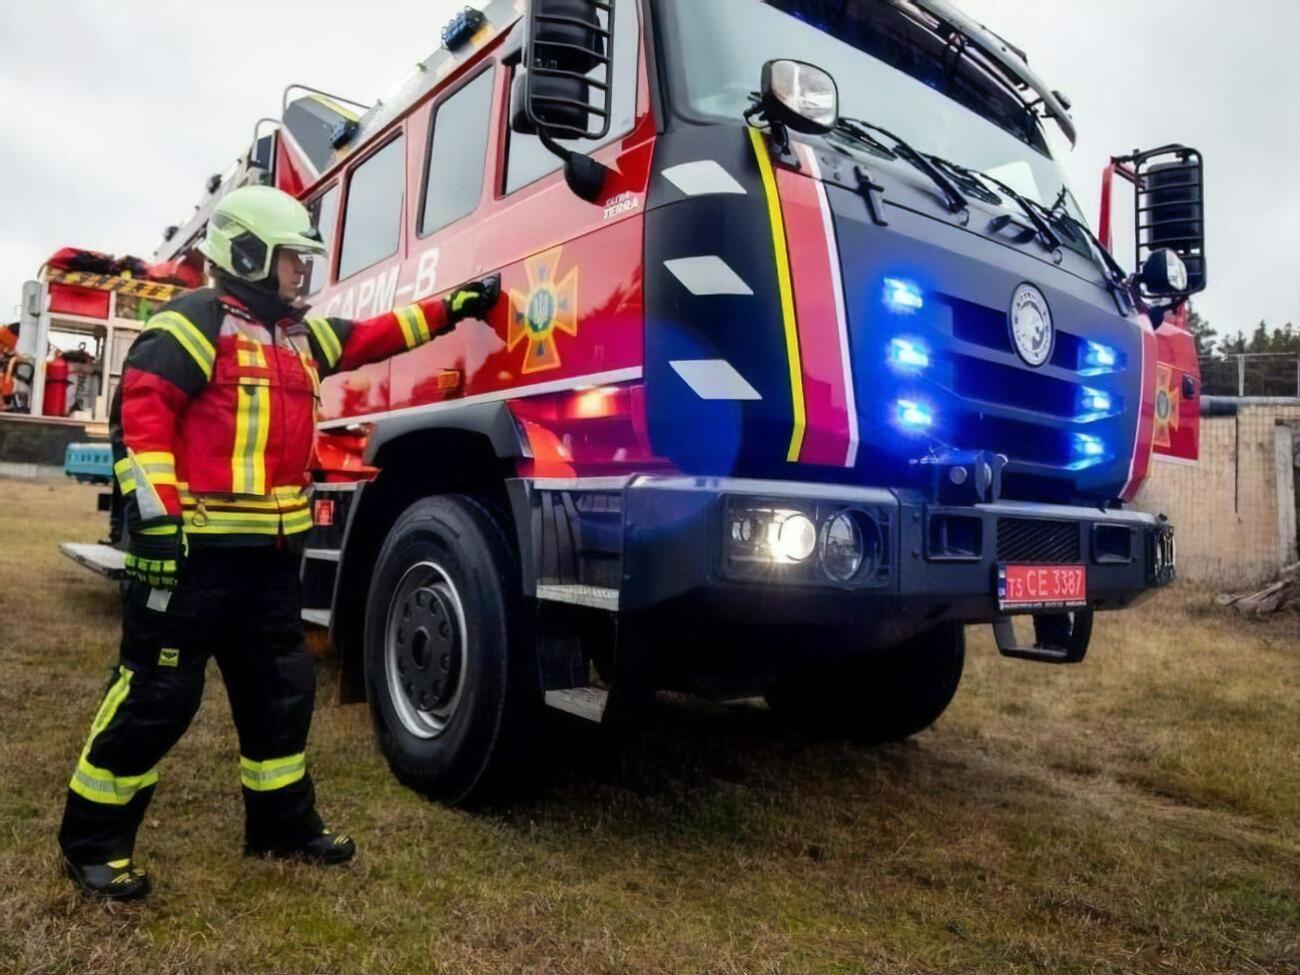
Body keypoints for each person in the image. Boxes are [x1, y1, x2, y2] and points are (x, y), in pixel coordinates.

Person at [57, 185, 499, 900]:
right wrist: (158, 529)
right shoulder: (187, 326)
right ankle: (92, 843)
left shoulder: (300, 336)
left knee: (282, 695)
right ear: (250, 255)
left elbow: (374, 336)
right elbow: (141, 430)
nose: (303, 273)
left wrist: (453, 308)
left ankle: (281, 826)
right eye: (294, 260)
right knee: (156, 697)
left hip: (268, 565)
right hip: (193, 561)